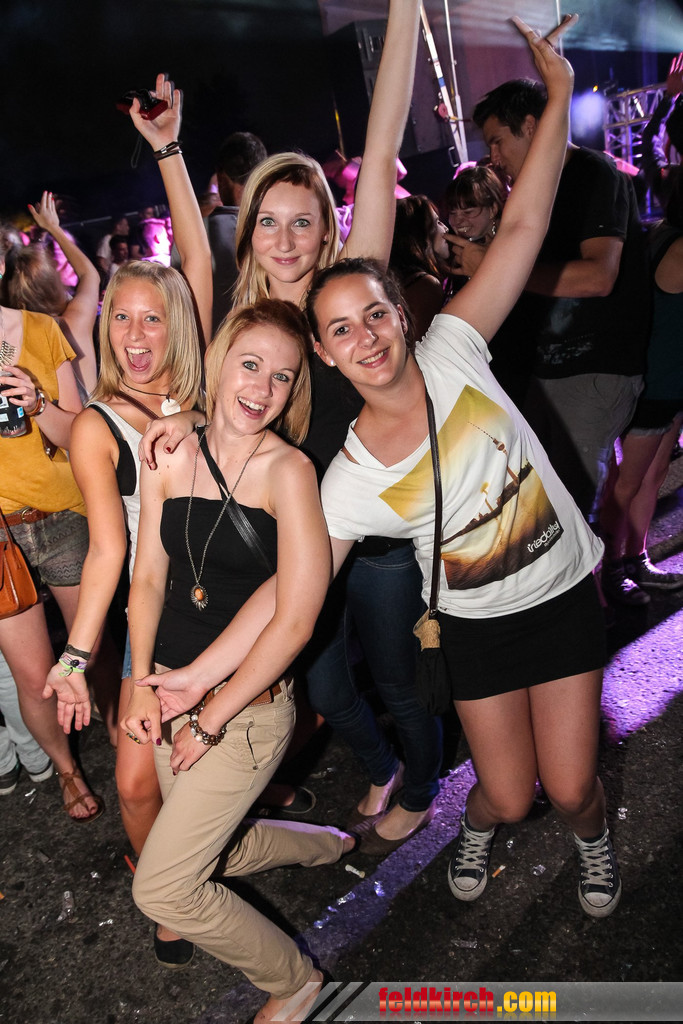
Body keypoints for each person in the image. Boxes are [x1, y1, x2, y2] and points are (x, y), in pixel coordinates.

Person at [305, 16, 622, 920]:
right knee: (508, 796)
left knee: (571, 789)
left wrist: (558, 95)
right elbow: (297, 598)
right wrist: (205, 683)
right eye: (340, 330)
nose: (366, 337)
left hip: (560, 597)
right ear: (324, 353)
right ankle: (476, 825)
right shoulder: (350, 479)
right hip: (476, 629)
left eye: (375, 315)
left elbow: (523, 221)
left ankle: (592, 837)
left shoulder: (452, 345)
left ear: (401, 315)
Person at [144, 0, 443, 853]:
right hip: (291, 550)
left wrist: (402, 11)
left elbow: (379, 145)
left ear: (327, 227)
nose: (284, 238)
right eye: (267, 221)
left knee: (398, 679)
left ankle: (421, 786)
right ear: (251, 230)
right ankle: (381, 763)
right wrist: (180, 414)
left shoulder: (345, 291)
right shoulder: (243, 318)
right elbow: (204, 350)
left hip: (372, 534)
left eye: (301, 220)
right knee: (327, 687)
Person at [127, 300, 355, 1024]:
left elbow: (295, 619)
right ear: (219, 360)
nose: (262, 388)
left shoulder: (289, 471)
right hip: (169, 693)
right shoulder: (171, 452)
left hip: (244, 711)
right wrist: (139, 682)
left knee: (162, 889)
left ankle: (297, 983)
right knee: (205, 847)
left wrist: (211, 719)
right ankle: (316, 845)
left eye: (282, 377)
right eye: (250, 364)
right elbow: (148, 578)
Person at [43, 74, 208, 966]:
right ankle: (164, 891)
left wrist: (168, 150)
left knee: (214, 755)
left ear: (174, 324)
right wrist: (77, 657)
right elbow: (107, 551)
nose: (135, 336)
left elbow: (199, 264)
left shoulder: (203, 388)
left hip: (226, 599)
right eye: (121, 320)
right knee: (137, 779)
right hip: (152, 618)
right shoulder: (96, 427)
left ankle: (218, 842)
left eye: (152, 319)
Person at [472, 72, 649, 526]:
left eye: (497, 142)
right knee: (540, 512)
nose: (494, 158)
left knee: (570, 518)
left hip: (592, 369)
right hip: (546, 372)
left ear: (531, 126)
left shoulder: (592, 173)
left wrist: (499, 268)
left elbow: (598, 277)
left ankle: (606, 571)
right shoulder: (531, 190)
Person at [0, 243, 108, 821]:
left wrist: (38, 401)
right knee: (33, 674)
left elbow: (76, 434)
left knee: (91, 649)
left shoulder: (42, 330)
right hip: (3, 538)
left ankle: (122, 731)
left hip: (63, 517)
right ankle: (67, 771)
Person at [599, 172, 683, 603]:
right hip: (656, 382)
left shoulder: (661, 233)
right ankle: (611, 569)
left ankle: (637, 558)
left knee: (651, 476)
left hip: (666, 381)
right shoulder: (677, 245)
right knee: (627, 484)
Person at [2, 192, 100, 396]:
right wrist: (53, 228)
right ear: (54, 285)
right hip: (90, 416)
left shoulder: (14, 338)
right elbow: (89, 274)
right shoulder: (74, 323)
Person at [389, 194, 450, 339]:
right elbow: (422, 343)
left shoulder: (398, 280)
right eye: (437, 222)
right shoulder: (425, 285)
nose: (446, 228)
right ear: (420, 233)